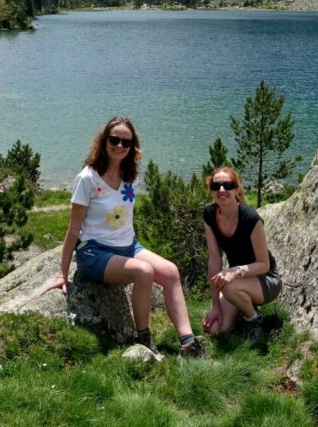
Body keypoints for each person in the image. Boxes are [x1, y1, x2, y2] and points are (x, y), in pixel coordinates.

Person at [43, 115, 205, 357]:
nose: (119, 146)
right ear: (104, 141)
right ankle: (143, 338)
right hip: (94, 252)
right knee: (144, 272)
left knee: (170, 271)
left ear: (132, 147)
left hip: (128, 246)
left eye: (126, 142)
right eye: (114, 140)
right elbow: (73, 228)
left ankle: (188, 343)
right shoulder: (87, 178)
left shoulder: (130, 176)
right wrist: (62, 274)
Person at [202, 166, 281, 345]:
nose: (221, 190)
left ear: (236, 189)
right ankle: (243, 308)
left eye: (227, 185)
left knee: (228, 285)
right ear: (211, 191)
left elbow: (264, 264)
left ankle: (254, 320)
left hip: (265, 280)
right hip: (236, 281)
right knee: (216, 329)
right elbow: (214, 258)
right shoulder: (209, 215)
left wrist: (236, 272)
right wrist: (215, 306)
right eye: (216, 186)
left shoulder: (251, 219)